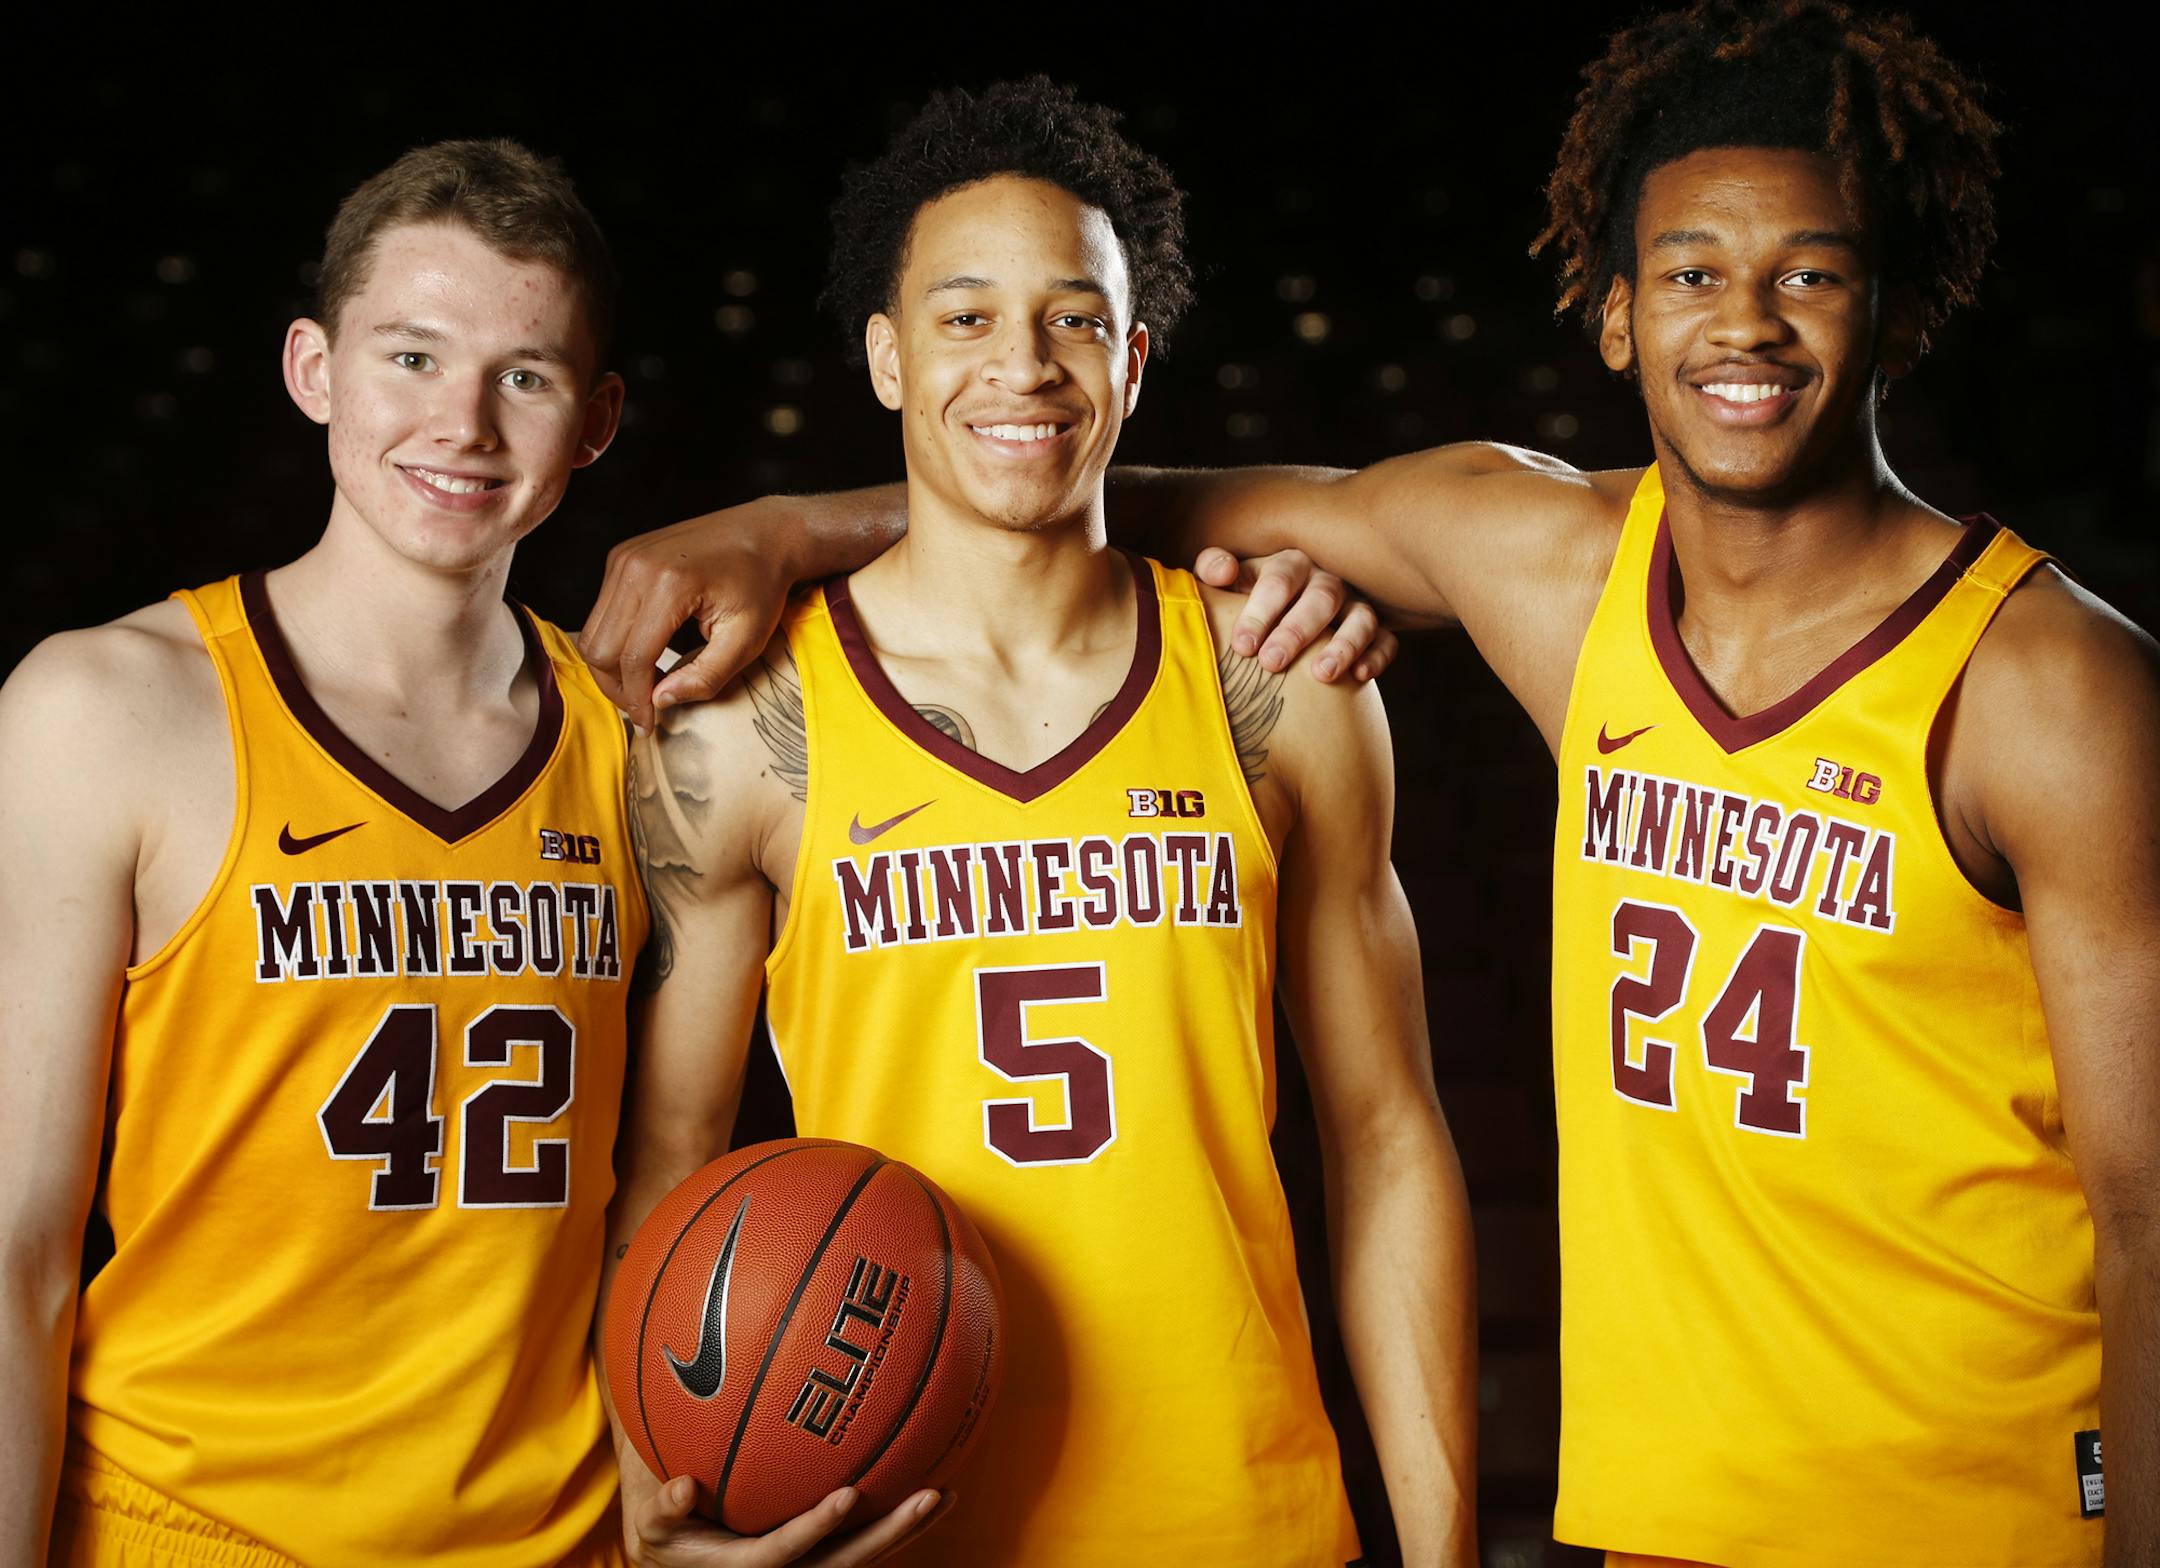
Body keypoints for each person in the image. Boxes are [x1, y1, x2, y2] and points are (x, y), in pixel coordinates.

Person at [577, 7, 2160, 1565]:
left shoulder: (2051, 688)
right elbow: (1092, 490)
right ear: (1617, 315)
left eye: (1808, 275)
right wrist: (789, 529)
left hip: (1983, 1506)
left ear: (1894, 304)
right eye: (1692, 273)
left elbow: (2149, 1217)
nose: (1742, 324)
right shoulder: (1556, 575)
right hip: (1669, 1516)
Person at [0, 139, 929, 1568]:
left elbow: (663, 1174)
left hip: (562, 1540)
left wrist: (788, 530)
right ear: (313, 368)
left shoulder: (647, 741)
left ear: (596, 422)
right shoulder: (103, 709)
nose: (465, 425)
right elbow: (17, 1257)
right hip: (189, 1523)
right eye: (413, 358)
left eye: (526, 377)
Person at [604, 78, 1476, 1568]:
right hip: (899, 1529)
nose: (1024, 364)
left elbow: (1387, 1134)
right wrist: (653, 1499)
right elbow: (673, 1155)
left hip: (1245, 1520)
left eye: (1074, 319)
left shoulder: (1283, 680)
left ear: (1130, 361)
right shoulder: (743, 723)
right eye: (966, 318)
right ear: (887, 357)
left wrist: (1444, 1549)